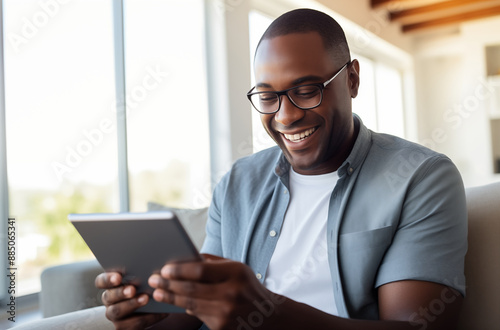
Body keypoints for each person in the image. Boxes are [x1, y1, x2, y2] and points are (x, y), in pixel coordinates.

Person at [96, 8, 467, 330]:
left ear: (352, 79)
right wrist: (147, 315)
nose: (285, 116)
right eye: (268, 97)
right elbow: (193, 315)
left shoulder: (420, 178)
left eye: (307, 90)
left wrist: (269, 315)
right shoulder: (237, 184)